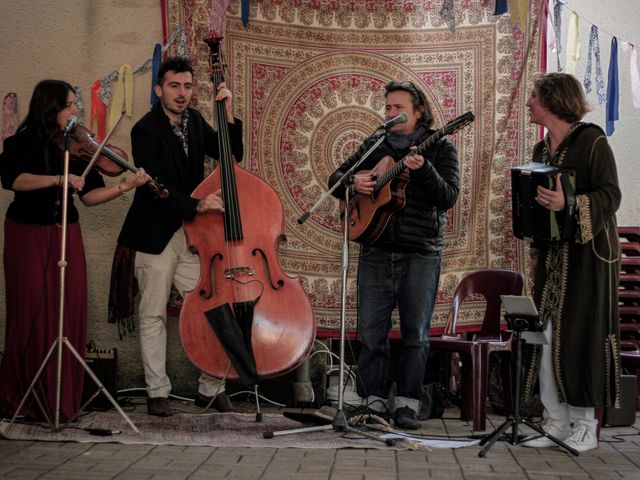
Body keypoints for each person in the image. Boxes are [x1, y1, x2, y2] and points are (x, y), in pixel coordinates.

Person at [0, 79, 148, 422]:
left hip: (66, 232)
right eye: (69, 105)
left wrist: (126, 186)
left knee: (68, 308)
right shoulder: (20, 143)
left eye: (75, 105)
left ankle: (60, 398)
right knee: (30, 311)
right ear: (50, 107)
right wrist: (56, 180)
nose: (75, 111)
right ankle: (22, 398)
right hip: (26, 233)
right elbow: (13, 180)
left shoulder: (78, 147)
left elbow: (90, 196)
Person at [116, 56, 243, 417]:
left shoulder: (197, 121)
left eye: (188, 86)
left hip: (190, 236)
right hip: (154, 234)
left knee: (213, 306)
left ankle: (210, 389)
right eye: (174, 86)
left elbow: (231, 154)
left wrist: (228, 111)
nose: (182, 93)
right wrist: (197, 206)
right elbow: (155, 186)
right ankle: (157, 392)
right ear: (159, 90)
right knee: (153, 314)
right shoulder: (145, 129)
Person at [328, 81, 459, 429]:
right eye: (387, 108)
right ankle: (372, 402)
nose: (389, 113)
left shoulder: (440, 147)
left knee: (415, 334)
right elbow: (334, 178)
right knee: (371, 333)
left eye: (397, 108)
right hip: (375, 250)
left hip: (420, 253)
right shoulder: (376, 144)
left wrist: (424, 170)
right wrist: (353, 182)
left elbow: (448, 197)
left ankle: (407, 404)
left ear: (418, 112)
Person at [521, 72, 622, 452]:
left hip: (589, 258)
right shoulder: (540, 151)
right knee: (548, 336)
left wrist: (571, 205)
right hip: (553, 257)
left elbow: (611, 194)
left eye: (534, 96)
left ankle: (584, 425)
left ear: (552, 100)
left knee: (583, 335)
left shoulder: (592, 140)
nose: (529, 102)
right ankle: (555, 422)